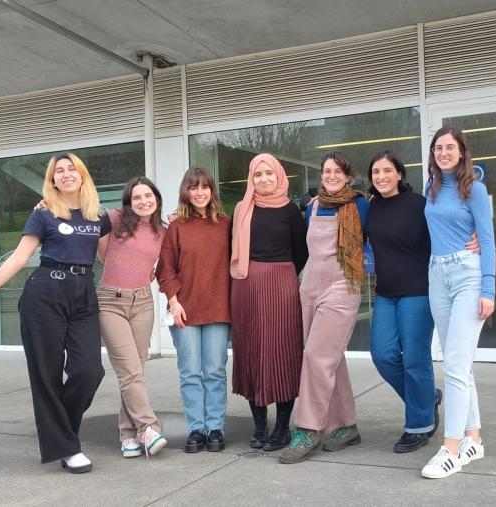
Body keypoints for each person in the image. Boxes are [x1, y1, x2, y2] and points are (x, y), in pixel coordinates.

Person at [0, 153, 110, 474]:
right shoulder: (43, 214)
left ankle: (59, 434)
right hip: (45, 293)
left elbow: (111, 257)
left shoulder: (98, 216)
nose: (66, 174)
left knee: (89, 371)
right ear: (52, 180)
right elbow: (18, 258)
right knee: (47, 374)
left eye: (72, 169)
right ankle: (67, 448)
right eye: (59, 171)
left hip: (84, 294)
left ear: (82, 175)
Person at [365, 150, 480, 454]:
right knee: (383, 355)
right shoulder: (370, 207)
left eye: (387, 170)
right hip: (386, 293)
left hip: (418, 291)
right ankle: (428, 399)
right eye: (376, 172)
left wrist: (478, 236)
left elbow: (450, 222)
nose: (381, 176)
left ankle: (419, 425)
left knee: (415, 360)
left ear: (399, 174)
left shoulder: (419, 204)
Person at [280, 151, 369, 464]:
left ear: (348, 177)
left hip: (343, 284)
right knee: (330, 357)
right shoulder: (313, 206)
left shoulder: (360, 205)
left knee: (316, 356)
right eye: (327, 171)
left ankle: (308, 428)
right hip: (311, 284)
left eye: (337, 172)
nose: (331, 176)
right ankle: (346, 425)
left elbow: (385, 234)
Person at [420, 127, 495, 479]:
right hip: (437, 274)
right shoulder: (430, 188)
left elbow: (488, 240)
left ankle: (450, 449)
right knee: (459, 364)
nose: (443, 153)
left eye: (450, 147)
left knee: (454, 365)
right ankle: (473, 439)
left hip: (468, 275)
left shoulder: (474, 189)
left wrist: (488, 289)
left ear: (462, 151)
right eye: (438, 148)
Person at [230, 154, 308, 452]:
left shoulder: (290, 209)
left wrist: (280, 274)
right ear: (251, 178)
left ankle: (282, 427)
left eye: (269, 173)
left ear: (279, 176)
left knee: (283, 352)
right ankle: (260, 426)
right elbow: (228, 247)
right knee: (251, 350)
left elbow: (301, 252)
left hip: (281, 285)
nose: (263, 179)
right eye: (257, 174)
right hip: (246, 286)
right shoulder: (241, 209)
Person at [156, 167, 232, 453]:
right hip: (184, 310)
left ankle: (215, 427)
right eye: (193, 187)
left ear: (212, 190)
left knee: (215, 371)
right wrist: (174, 303)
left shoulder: (226, 224)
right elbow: (165, 269)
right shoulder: (177, 227)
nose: (199, 193)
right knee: (190, 372)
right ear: (186, 192)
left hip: (218, 308)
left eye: (204, 187)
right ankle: (196, 429)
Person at [96, 177, 168, 458]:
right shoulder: (114, 219)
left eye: (148, 196)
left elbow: (163, 264)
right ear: (129, 202)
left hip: (143, 302)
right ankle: (149, 428)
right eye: (136, 197)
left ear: (156, 199)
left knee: (135, 371)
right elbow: (103, 253)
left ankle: (128, 436)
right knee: (129, 370)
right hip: (111, 301)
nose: (143, 201)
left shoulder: (163, 231)